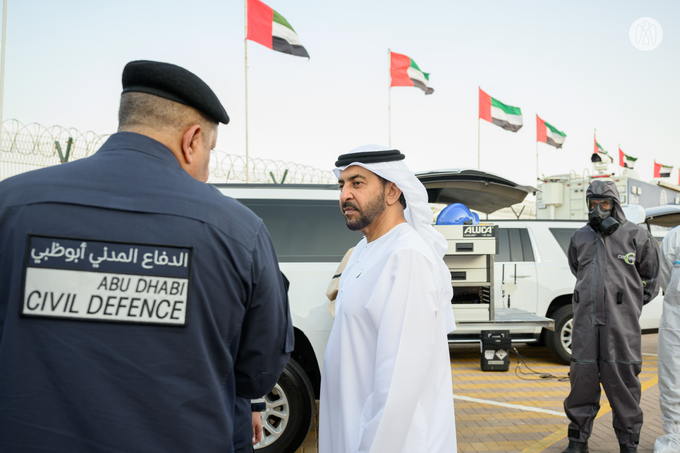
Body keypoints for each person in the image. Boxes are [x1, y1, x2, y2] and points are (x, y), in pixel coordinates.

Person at [0, 60, 293, 453]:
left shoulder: (11, 205)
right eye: (210, 150)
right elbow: (258, 368)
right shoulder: (239, 231)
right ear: (192, 140)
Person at [318, 145, 457, 453]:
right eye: (341, 185)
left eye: (357, 183)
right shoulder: (365, 250)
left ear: (393, 191)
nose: (344, 195)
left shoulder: (406, 256)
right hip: (352, 430)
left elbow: (398, 384)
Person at [563, 180, 660, 453]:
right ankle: (577, 441)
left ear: (615, 205)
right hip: (585, 324)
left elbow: (650, 281)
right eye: (592, 204)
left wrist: (625, 304)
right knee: (581, 379)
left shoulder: (637, 236)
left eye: (604, 203)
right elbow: (577, 270)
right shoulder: (579, 237)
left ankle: (628, 443)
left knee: (623, 382)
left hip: (621, 326)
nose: (598, 209)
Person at [654, 225, 680, 453]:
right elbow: (665, 279)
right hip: (676, 319)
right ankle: (674, 439)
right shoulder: (675, 237)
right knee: (672, 380)